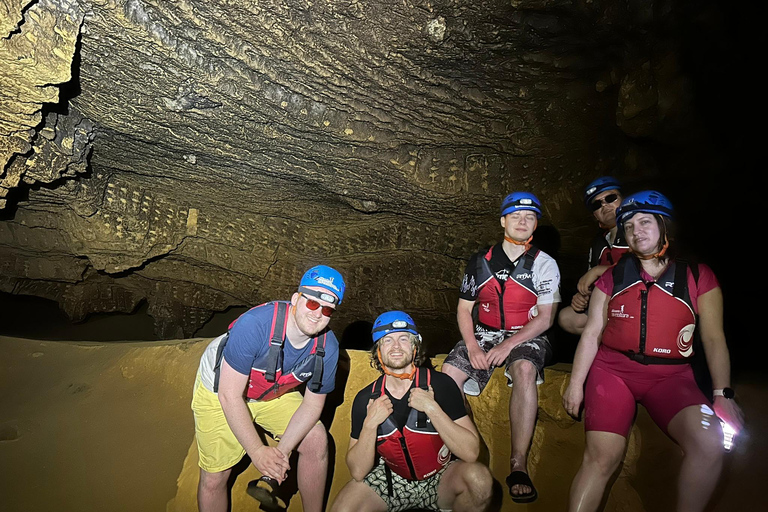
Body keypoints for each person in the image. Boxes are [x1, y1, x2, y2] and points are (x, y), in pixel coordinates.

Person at [563, 191, 744, 512]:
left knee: (710, 443)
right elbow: (591, 333)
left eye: (645, 222)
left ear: (664, 226)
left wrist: (722, 395)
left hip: (672, 377)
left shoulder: (698, 276)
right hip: (612, 372)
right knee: (601, 458)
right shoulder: (613, 277)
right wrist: (576, 384)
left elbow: (715, 338)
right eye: (629, 226)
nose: (636, 231)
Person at [191, 265, 345, 512]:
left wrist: (280, 455)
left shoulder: (328, 348)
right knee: (215, 477)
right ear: (296, 299)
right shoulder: (256, 325)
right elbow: (229, 396)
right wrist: (257, 451)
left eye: (327, 309)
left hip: (272, 392)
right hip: (223, 388)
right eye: (312, 303)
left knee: (316, 439)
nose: (317, 314)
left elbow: (313, 404)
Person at [442, 191, 561, 503]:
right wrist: (473, 346)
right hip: (484, 331)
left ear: (535, 224)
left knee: (523, 368)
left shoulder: (544, 264)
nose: (523, 221)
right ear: (503, 220)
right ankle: (459, 451)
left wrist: (508, 345)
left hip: (528, 333)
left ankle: (517, 463)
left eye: (530, 217)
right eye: (516, 216)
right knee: (448, 374)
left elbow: (546, 317)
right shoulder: (480, 262)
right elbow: (463, 310)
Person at [331, 311, 493, 512]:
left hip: (441, 476)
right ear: (378, 349)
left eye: (403, 339)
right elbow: (357, 471)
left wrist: (432, 408)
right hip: (392, 479)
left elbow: (471, 453)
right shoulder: (366, 399)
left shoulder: (441, 385)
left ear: (415, 346)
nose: (396, 346)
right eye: (387, 340)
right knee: (344, 509)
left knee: (479, 480)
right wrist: (370, 424)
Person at [558, 176, 628, 335]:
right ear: (595, 215)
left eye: (611, 198)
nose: (605, 206)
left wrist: (598, 270)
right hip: (608, 305)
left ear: (624, 200)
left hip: (639, 302)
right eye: (597, 204)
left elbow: (647, 271)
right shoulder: (598, 243)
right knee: (567, 317)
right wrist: (582, 297)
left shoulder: (640, 230)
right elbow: (592, 284)